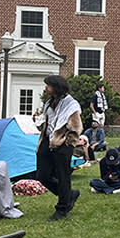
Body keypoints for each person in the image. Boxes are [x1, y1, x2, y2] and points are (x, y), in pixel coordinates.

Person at [34, 75, 83, 221]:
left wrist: (67, 142)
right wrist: (38, 121)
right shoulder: (49, 103)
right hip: (47, 141)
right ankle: (69, 195)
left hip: (62, 144)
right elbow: (47, 124)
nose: (45, 88)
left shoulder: (71, 104)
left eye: (48, 85)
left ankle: (62, 209)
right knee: (42, 175)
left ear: (56, 86)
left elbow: (76, 127)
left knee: (63, 177)